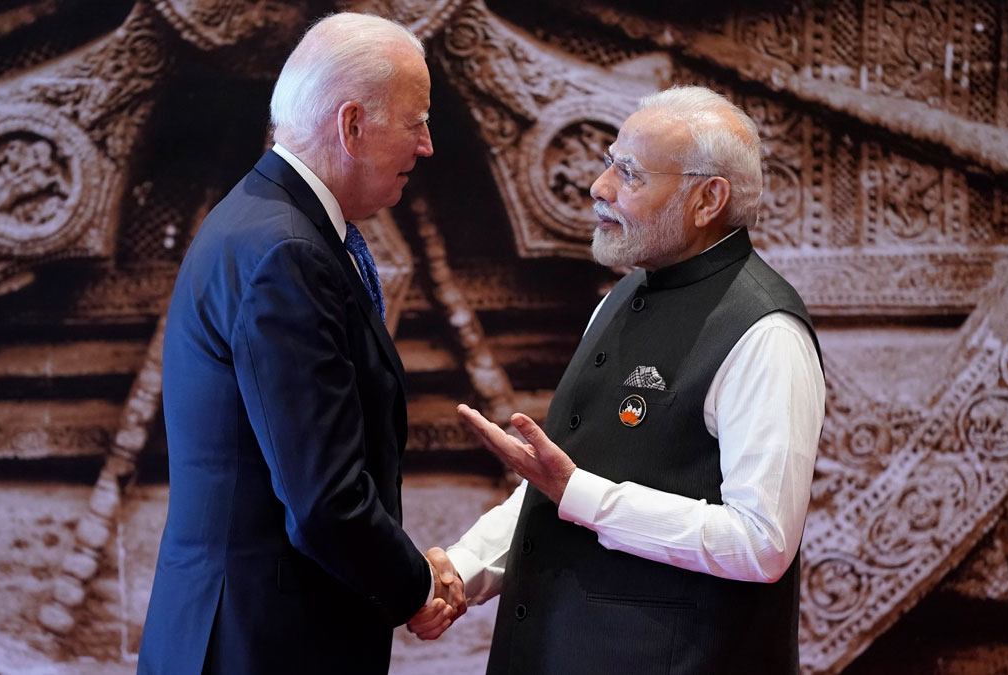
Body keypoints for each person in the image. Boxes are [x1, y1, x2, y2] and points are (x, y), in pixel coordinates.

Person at [417, 86, 826, 674]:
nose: (599, 187)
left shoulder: (766, 332)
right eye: (609, 162)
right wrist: (464, 568)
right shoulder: (620, 298)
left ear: (708, 200)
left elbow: (761, 542)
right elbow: (562, 484)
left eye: (629, 173)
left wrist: (581, 495)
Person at [138, 13, 463, 675]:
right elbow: (324, 502)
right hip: (264, 645)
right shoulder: (287, 252)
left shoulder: (259, 220)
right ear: (352, 125)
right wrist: (417, 587)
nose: (427, 145)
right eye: (416, 122)